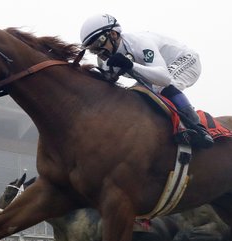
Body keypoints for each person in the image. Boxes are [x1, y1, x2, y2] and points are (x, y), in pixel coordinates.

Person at [79, 14, 214, 148]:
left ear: (113, 34)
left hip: (185, 60)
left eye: (98, 44)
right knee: (133, 96)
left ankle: (198, 128)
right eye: (92, 49)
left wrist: (130, 65)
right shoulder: (106, 61)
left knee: (160, 86)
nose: (98, 52)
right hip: (157, 72)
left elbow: (164, 79)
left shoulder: (140, 43)